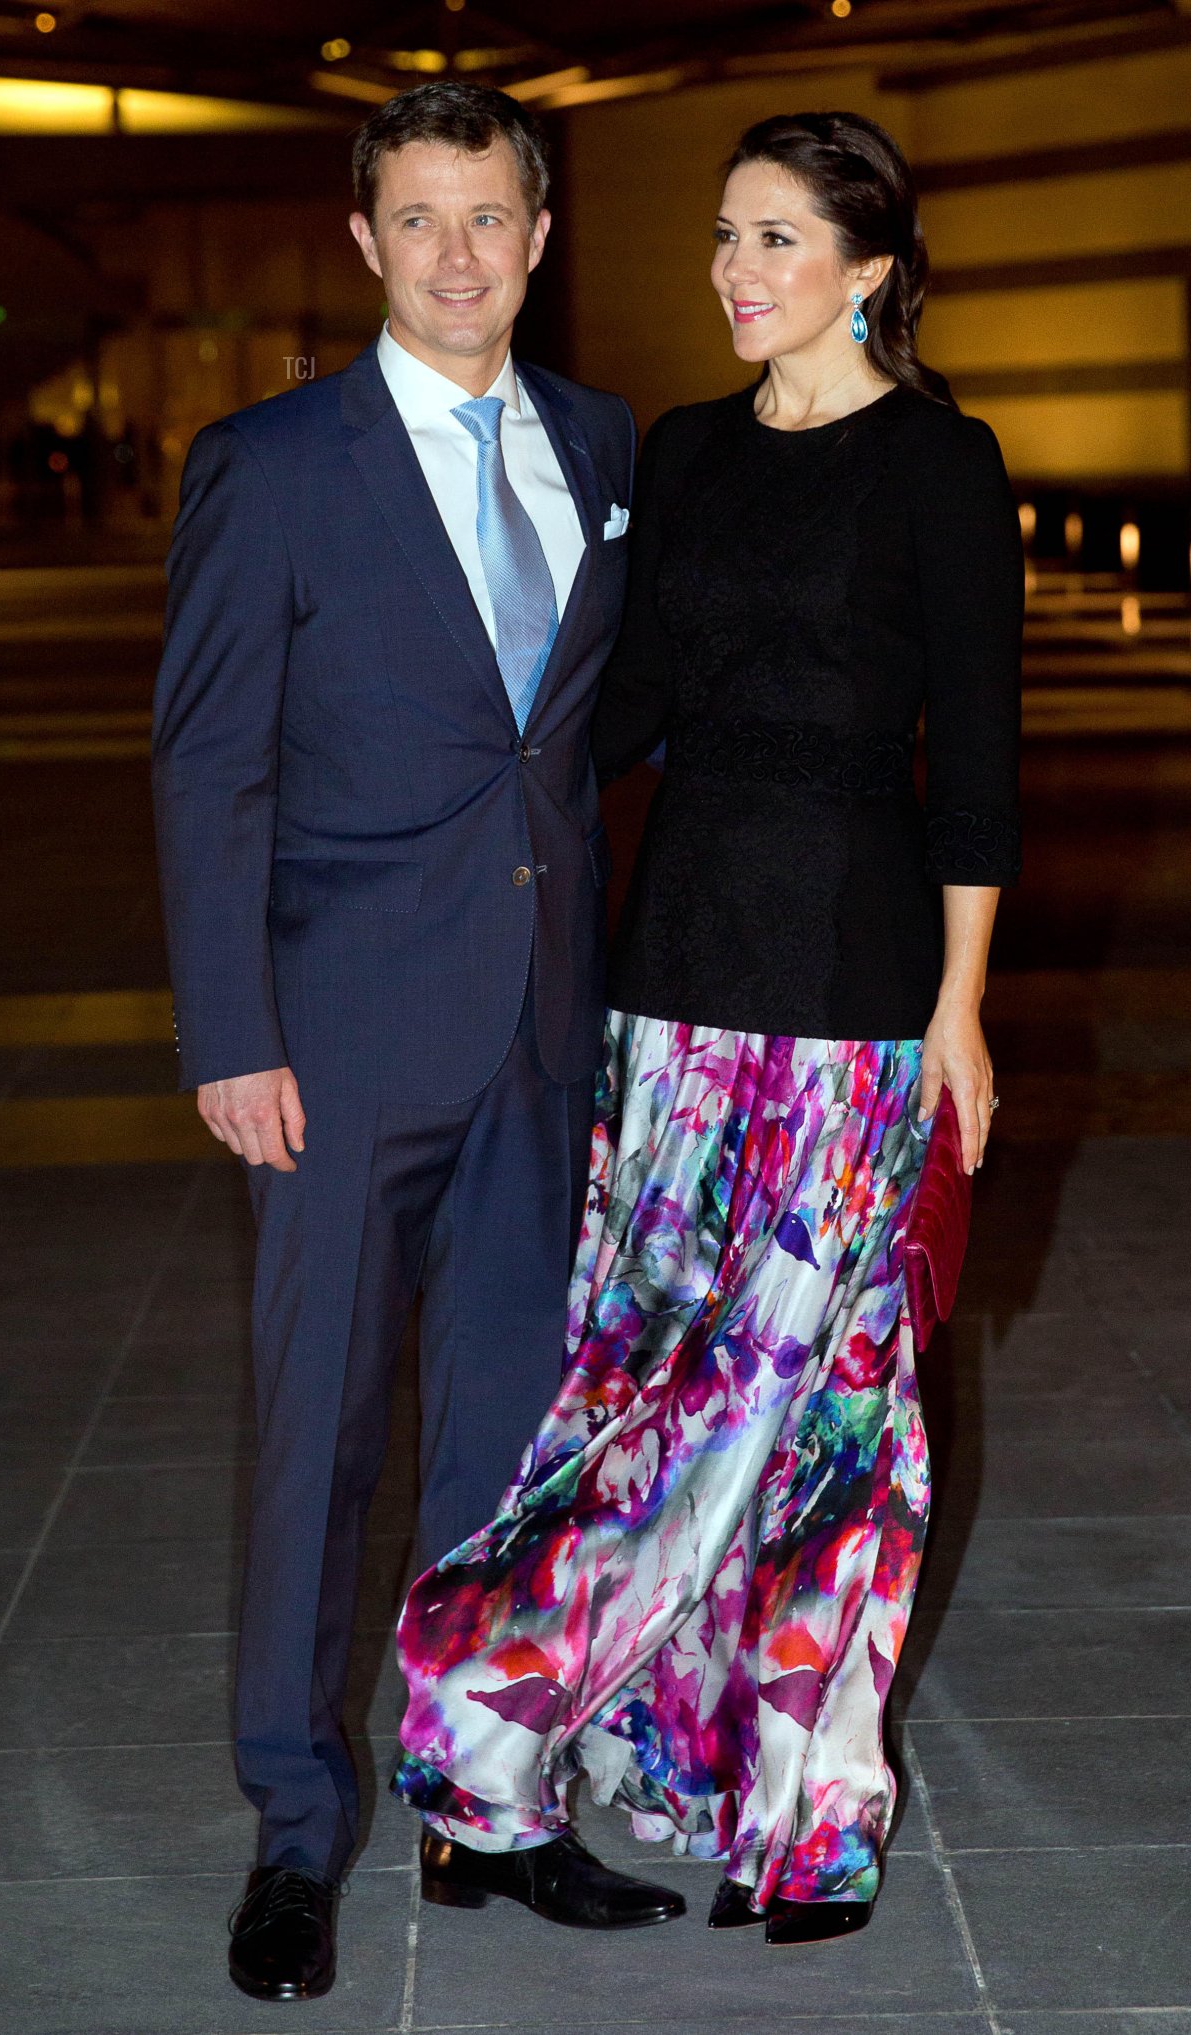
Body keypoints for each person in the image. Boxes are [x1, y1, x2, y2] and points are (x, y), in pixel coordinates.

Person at [391, 111, 1023, 1946]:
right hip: (670, 992)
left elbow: (977, 772)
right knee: (647, 1399)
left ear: (870, 268)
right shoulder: (681, 454)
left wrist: (961, 1011)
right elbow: (608, 707)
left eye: (776, 239)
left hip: (852, 996)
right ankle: (503, 1730)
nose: (738, 272)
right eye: (726, 239)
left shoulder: (943, 468)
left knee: (830, 1411)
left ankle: (806, 1810)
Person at [152, 81, 685, 2005]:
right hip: (340, 1039)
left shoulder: (608, 443)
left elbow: (594, 723)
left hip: (542, 1034)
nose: (461, 255)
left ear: (540, 237)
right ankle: (295, 1834)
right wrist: (233, 1031)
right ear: (366, 242)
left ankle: (490, 1808)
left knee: (505, 1431)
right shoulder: (273, 462)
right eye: (421, 220)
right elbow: (206, 760)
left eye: (492, 217)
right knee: (318, 1444)